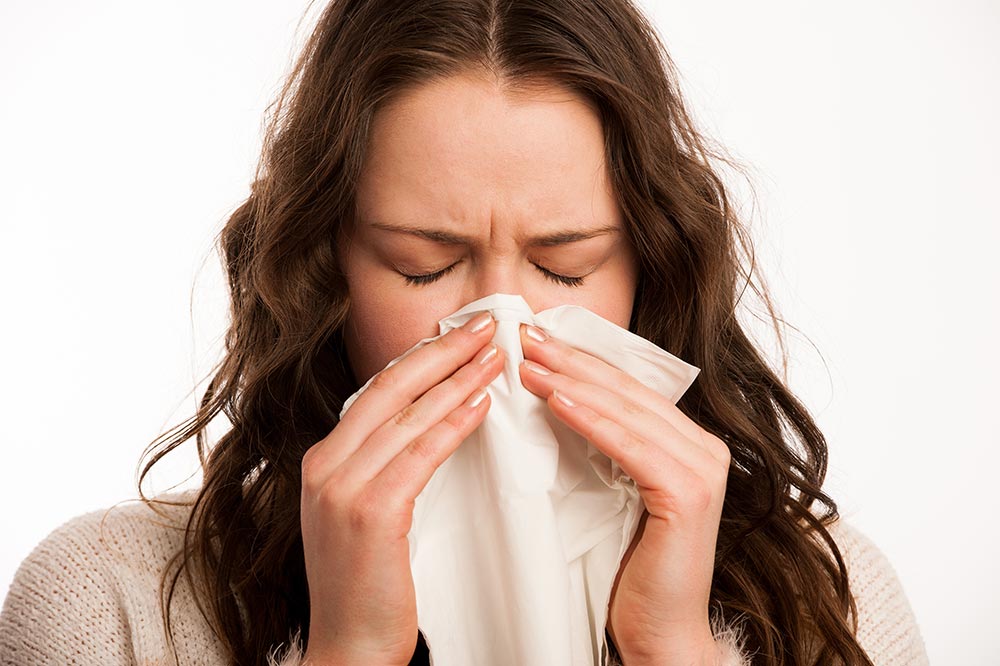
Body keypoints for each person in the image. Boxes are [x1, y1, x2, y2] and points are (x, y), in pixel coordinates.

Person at [0, 0, 930, 664]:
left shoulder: (827, 596)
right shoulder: (107, 602)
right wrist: (351, 653)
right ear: (324, 267)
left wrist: (673, 651)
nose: (502, 330)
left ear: (652, 264)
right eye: (422, 266)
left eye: (566, 266)